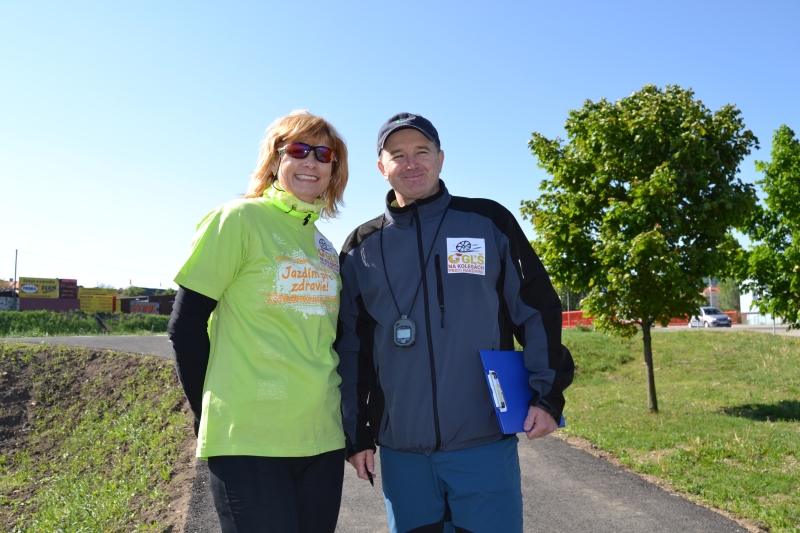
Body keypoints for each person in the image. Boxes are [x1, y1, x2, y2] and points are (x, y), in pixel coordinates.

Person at [335, 113, 574, 533]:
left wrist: (547, 396)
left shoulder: (488, 222)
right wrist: (357, 435)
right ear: (381, 167)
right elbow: (351, 349)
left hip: (483, 446)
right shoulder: (360, 248)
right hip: (403, 454)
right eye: (398, 155)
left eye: (422, 152)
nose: (412, 163)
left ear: (441, 159)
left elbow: (536, 311)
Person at [168, 110, 349, 533]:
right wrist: (205, 411)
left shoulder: (326, 248)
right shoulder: (238, 219)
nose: (311, 162)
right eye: (298, 150)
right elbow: (185, 326)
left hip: (322, 437)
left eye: (323, 154)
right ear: (275, 159)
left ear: (333, 170)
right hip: (248, 437)